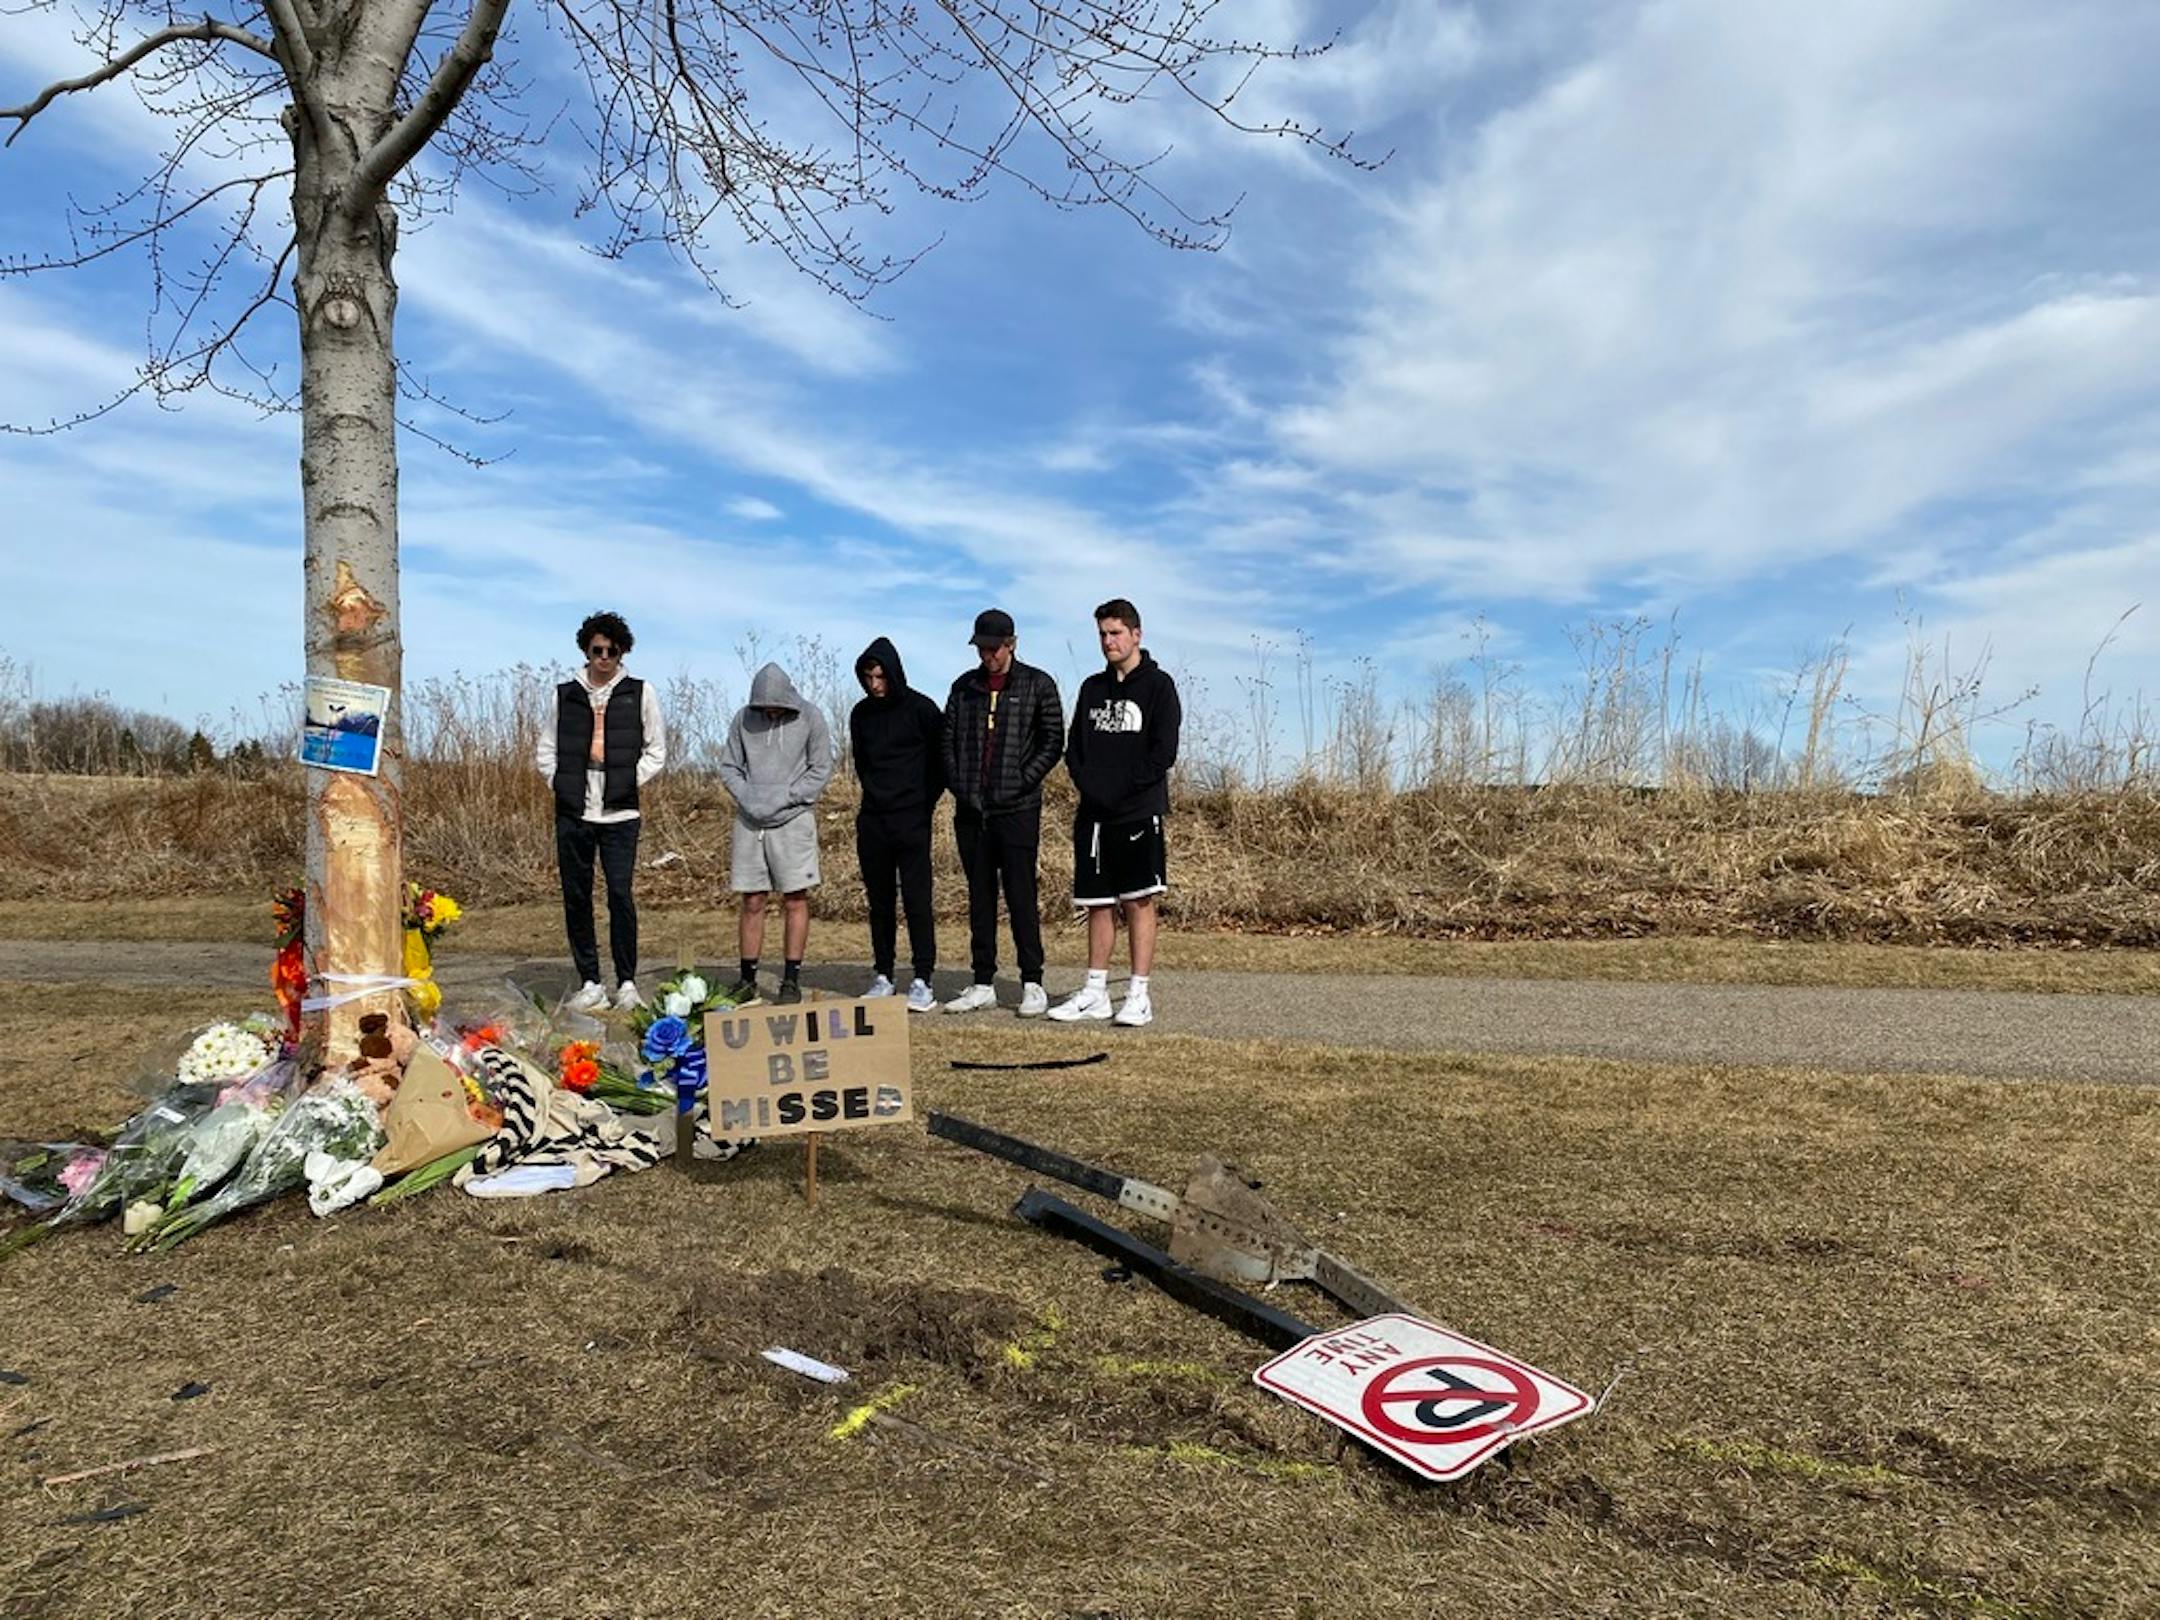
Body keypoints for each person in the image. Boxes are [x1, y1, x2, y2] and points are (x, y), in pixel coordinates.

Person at [1048, 598, 1181, 1028]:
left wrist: (1121, 790)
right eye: (1103, 634)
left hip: (1138, 811)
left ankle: (1138, 994)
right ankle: (1095, 991)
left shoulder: (1159, 687)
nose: (1109, 641)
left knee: (1138, 901)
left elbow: (1163, 753)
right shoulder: (1091, 688)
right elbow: (1075, 750)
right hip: (1094, 815)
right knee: (1098, 903)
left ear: (1136, 635)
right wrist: (1092, 789)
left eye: (1116, 633)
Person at [535, 611, 666, 1012]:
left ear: (622, 652)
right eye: (597, 651)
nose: (604, 658)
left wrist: (628, 781)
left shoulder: (641, 692)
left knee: (620, 896)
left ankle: (626, 982)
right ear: (586, 651)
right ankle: (590, 981)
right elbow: (545, 750)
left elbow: (656, 751)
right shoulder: (564, 694)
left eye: (612, 651)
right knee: (577, 895)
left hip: (620, 814)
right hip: (574, 809)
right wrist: (562, 783)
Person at [941, 608, 1064, 1016]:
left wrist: (1022, 779)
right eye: (981, 648)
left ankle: (1032, 981)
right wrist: (962, 786)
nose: (987, 656)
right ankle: (982, 981)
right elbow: (946, 743)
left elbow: (1053, 740)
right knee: (979, 898)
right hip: (972, 812)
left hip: (1018, 809)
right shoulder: (964, 688)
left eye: (994, 648)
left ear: (1011, 644)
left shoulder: (1037, 684)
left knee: (1021, 894)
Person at [717, 663, 835, 1006]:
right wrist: (749, 797)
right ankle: (747, 979)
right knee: (752, 900)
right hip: (750, 822)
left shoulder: (811, 718)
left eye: (775, 704)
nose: (769, 710)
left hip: (793, 820)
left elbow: (820, 768)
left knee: (795, 898)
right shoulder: (743, 718)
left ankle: (791, 980)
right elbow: (729, 767)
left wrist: (787, 796)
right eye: (763, 704)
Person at [850, 637, 945, 1012]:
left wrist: (922, 805)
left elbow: (940, 764)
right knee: (880, 902)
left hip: (912, 819)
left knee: (918, 900)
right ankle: (884, 974)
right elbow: (862, 763)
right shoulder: (860, 714)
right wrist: (877, 796)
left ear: (893, 673)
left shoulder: (922, 709)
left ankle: (923, 977)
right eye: (868, 677)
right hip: (873, 819)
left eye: (880, 676)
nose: (875, 684)